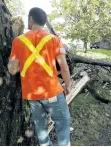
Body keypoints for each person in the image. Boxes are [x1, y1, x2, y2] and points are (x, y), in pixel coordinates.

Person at [7, 7, 71, 146]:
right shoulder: (54, 40)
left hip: (32, 95)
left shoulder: (18, 41)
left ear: (31, 19)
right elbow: (64, 67)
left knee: (41, 130)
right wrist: (68, 85)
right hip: (53, 92)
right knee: (63, 124)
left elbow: (12, 70)